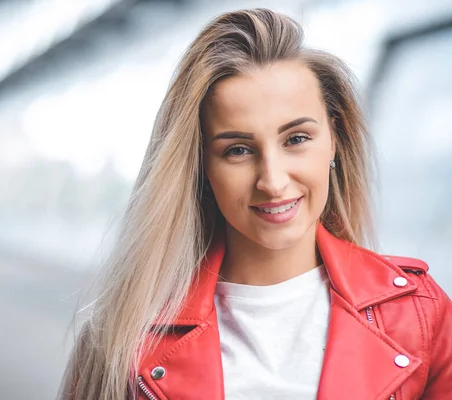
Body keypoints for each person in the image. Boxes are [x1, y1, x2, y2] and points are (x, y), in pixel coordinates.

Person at [60, 8, 452, 400]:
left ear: (334, 137)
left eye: (296, 139)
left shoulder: (422, 313)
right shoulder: (120, 337)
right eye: (238, 150)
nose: (273, 181)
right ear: (201, 167)